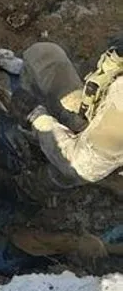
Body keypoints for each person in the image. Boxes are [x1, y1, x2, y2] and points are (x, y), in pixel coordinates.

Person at [9, 37, 123, 203]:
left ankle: (29, 188)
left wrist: (36, 117)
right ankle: (41, 139)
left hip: (101, 155)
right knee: (43, 54)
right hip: (101, 113)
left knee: (69, 171)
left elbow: (81, 165)